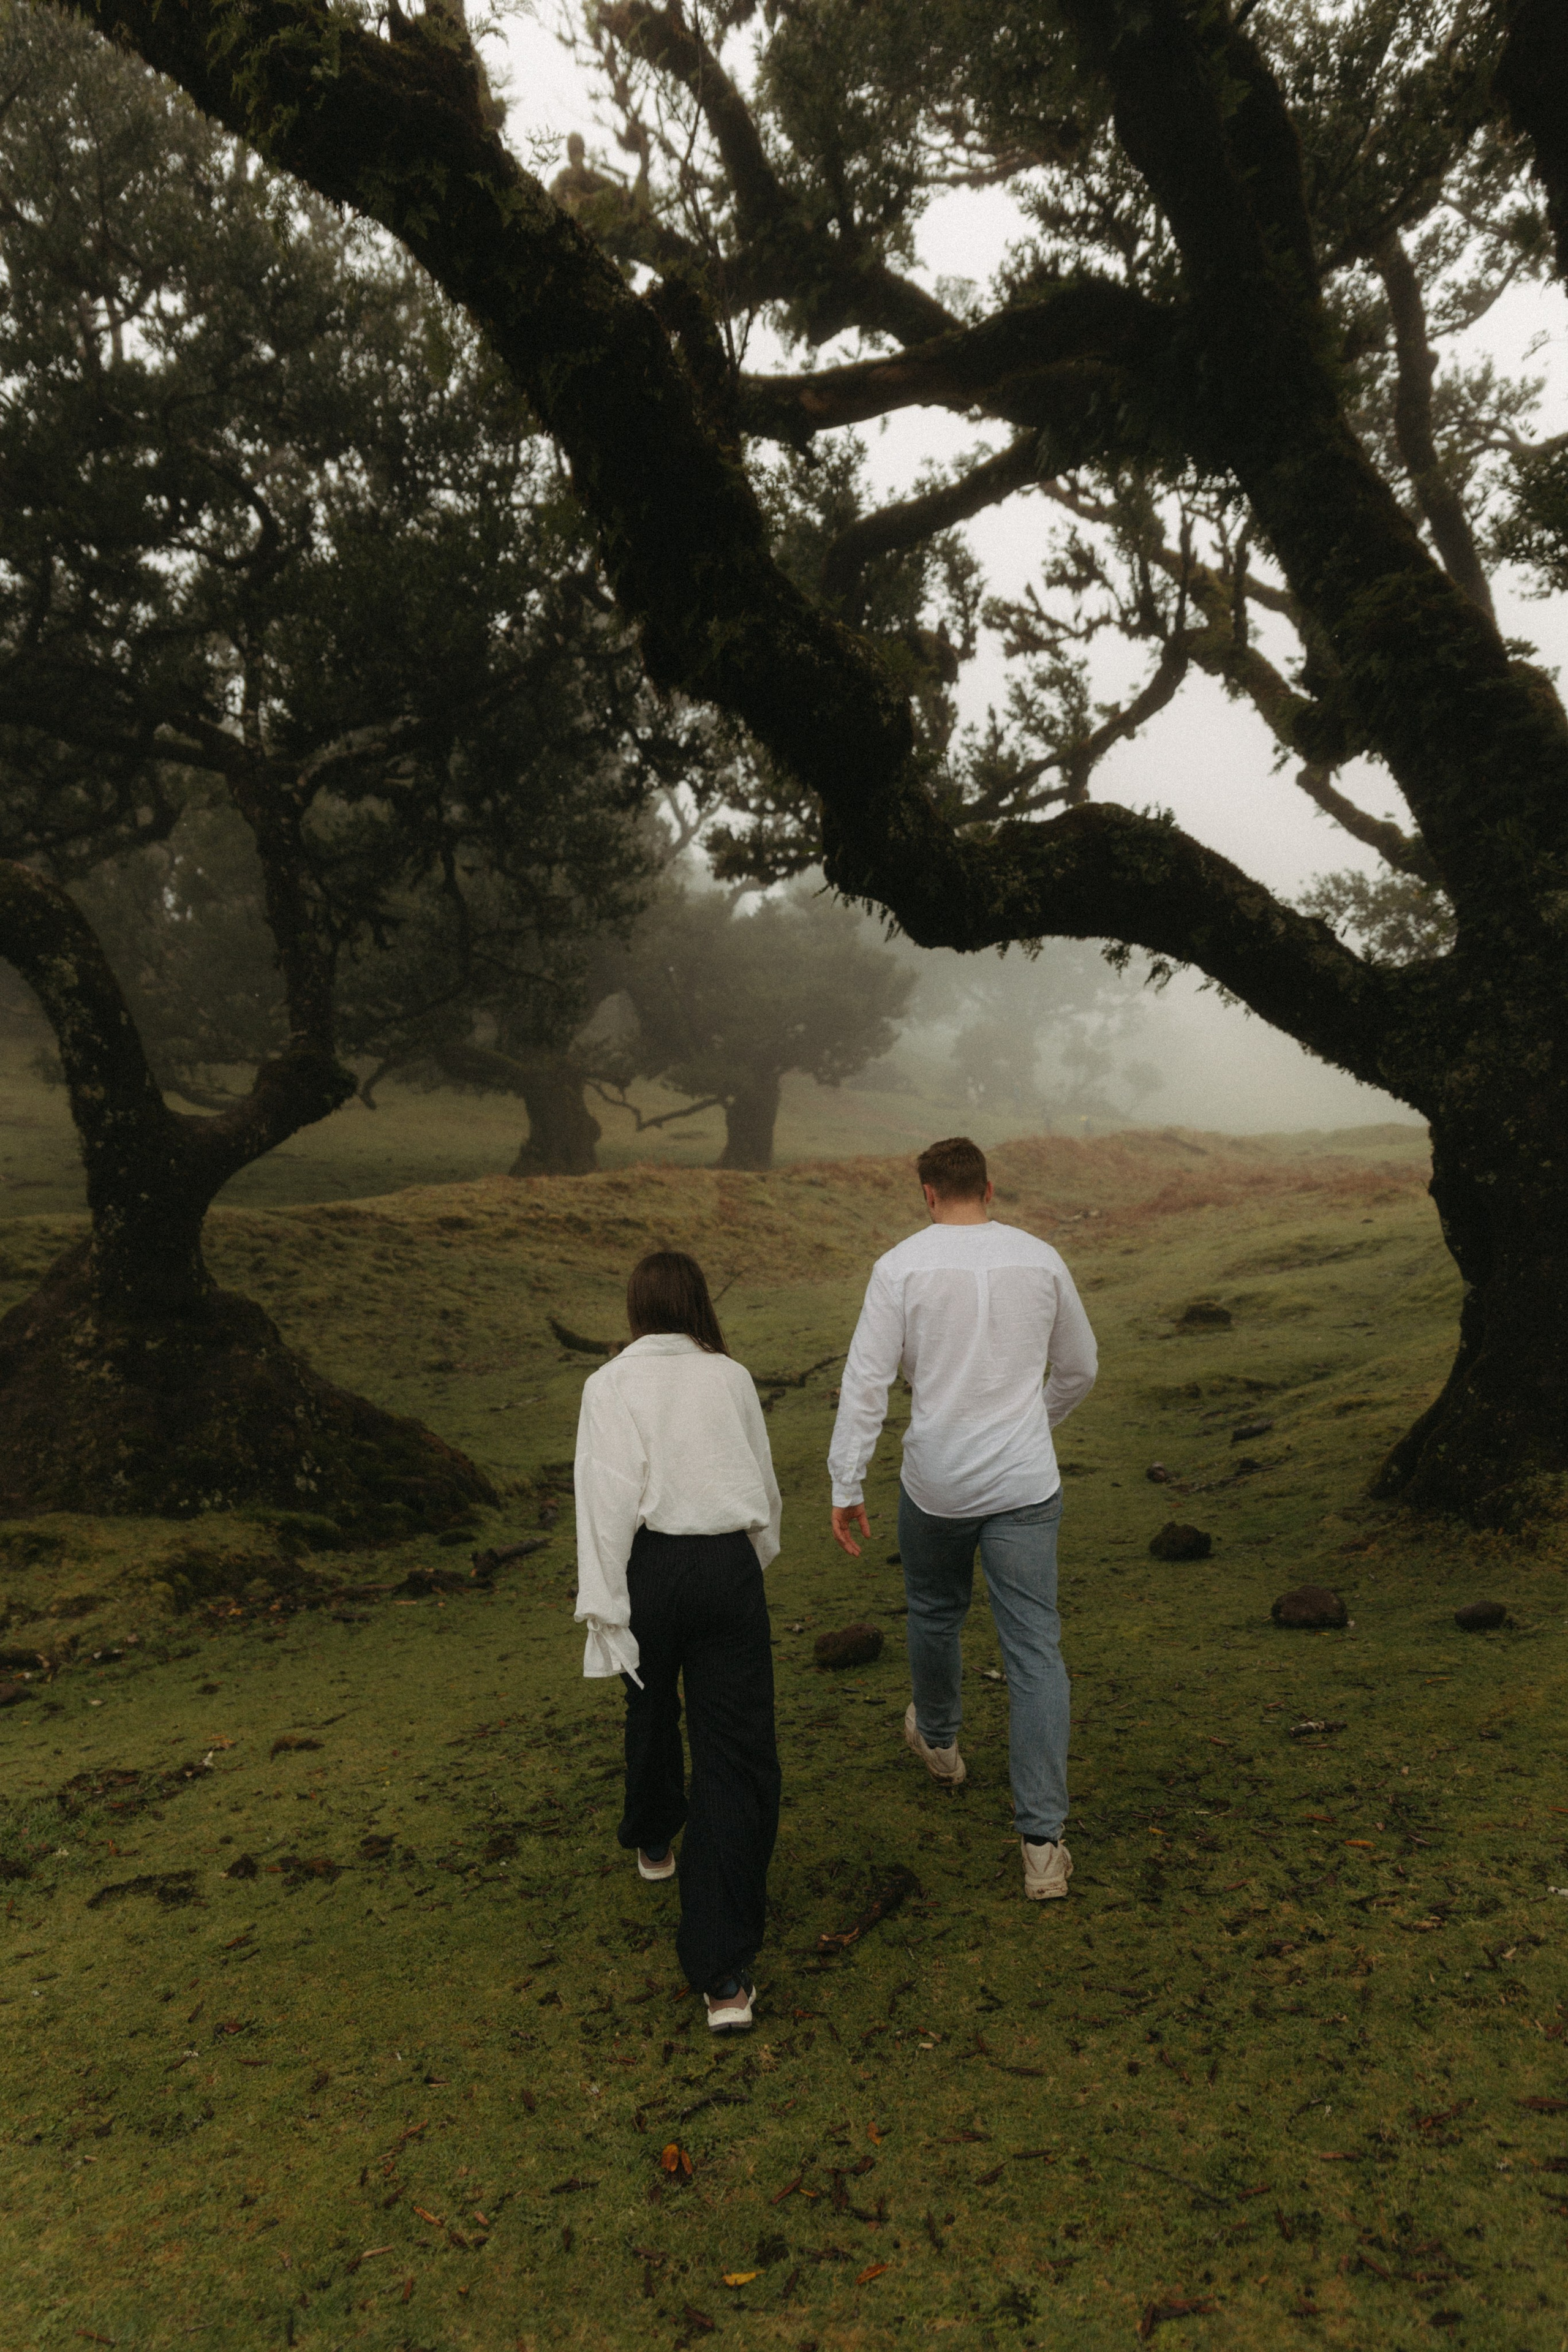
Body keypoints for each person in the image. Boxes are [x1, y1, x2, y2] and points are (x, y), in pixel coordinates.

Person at [827, 1136, 1098, 1902]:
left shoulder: (899, 1267)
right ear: (989, 1187)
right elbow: (1082, 1367)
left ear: (926, 1193)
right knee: (1035, 1651)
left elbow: (866, 1385)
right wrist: (1032, 1424)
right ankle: (1043, 1846)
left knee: (934, 1611)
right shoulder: (1041, 1259)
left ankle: (940, 1745)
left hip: (937, 1483)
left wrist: (847, 1483)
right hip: (1023, 1484)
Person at [573, 1250, 782, 2029]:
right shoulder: (728, 1375)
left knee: (651, 1704)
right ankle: (723, 1976)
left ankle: (655, 1838)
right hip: (725, 1563)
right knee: (733, 1751)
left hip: (650, 1563)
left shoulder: (610, 1384)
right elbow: (761, 1484)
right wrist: (747, 1562)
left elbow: (603, 1495)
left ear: (635, 1308)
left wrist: (607, 1606)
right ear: (698, 1303)